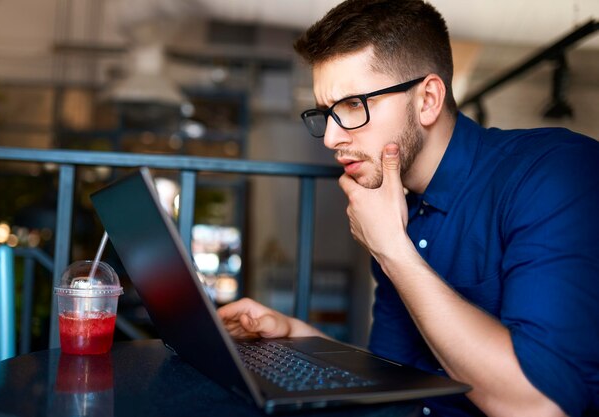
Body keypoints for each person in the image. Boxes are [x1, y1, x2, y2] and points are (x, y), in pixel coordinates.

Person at [217, 1, 599, 416]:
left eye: (352, 106)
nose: (330, 138)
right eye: (327, 113)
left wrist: (392, 250)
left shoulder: (553, 172)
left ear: (428, 99)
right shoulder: (395, 205)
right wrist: (296, 337)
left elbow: (540, 406)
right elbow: (395, 375)